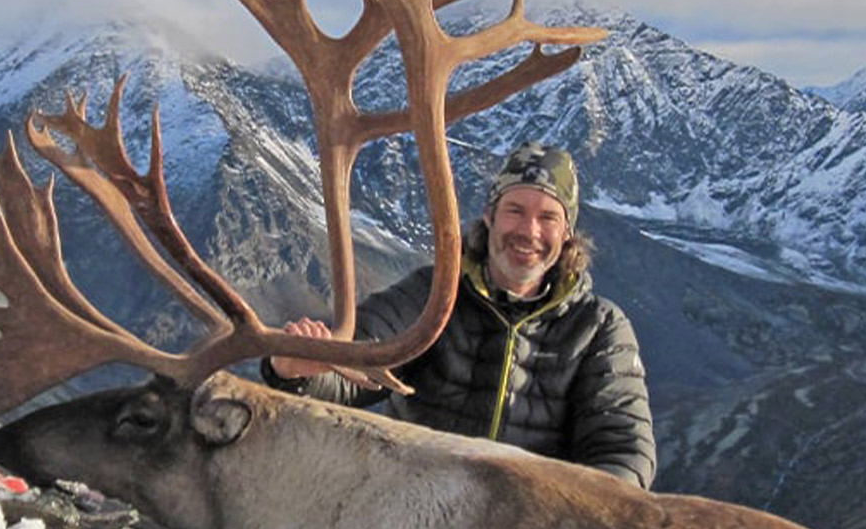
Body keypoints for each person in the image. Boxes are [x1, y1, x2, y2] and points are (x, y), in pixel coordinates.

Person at [261, 142, 657, 488]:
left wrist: (586, 516)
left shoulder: (599, 328)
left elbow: (623, 449)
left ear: (567, 231)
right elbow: (356, 362)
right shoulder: (434, 294)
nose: (529, 231)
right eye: (515, 211)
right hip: (414, 506)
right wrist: (294, 370)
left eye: (547, 217)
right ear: (489, 216)